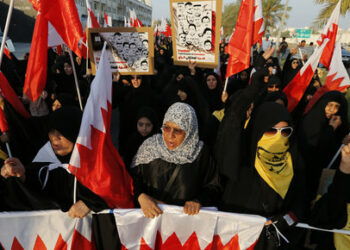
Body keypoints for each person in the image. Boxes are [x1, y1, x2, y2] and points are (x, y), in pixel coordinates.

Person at [219, 102, 306, 249]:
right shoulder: (242, 161)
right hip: (239, 240)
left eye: (285, 132)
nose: (278, 138)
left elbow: (301, 206)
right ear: (258, 130)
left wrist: (283, 220)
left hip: (273, 240)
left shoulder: (295, 163)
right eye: (271, 132)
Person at [131, 102, 221, 218]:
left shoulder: (200, 154)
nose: (170, 136)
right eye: (167, 128)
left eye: (178, 130)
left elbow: (213, 186)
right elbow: (131, 178)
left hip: (183, 226)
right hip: (150, 224)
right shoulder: (150, 148)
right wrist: (141, 196)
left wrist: (199, 201)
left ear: (189, 131)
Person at [298, 91, 349, 203]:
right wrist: (330, 129)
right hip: (304, 176)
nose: (332, 110)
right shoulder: (311, 121)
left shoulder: (339, 125)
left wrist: (343, 142)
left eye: (337, 107)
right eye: (329, 105)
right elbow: (314, 149)